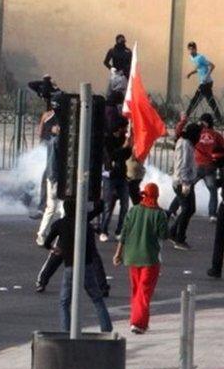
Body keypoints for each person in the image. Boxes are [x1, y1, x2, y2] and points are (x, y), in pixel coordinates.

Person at [113, 183, 168, 334]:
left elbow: (123, 233)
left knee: (136, 290)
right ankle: (138, 323)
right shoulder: (159, 214)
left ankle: (136, 320)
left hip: (131, 257)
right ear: (156, 196)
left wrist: (118, 253)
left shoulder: (134, 210)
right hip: (150, 259)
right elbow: (164, 235)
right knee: (144, 292)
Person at [54, 197, 113, 333]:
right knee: (97, 299)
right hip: (86, 265)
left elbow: (48, 240)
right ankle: (106, 328)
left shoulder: (60, 224)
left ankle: (65, 331)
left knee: (64, 302)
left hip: (69, 265)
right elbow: (92, 248)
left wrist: (54, 249)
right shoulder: (84, 223)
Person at [173, 113, 224, 219]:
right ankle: (212, 214)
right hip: (210, 166)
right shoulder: (216, 135)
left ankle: (172, 209)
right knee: (212, 190)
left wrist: (183, 121)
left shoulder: (196, 133)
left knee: (185, 189)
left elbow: (178, 133)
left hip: (196, 165)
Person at [169, 122, 201, 250]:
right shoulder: (184, 144)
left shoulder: (188, 144)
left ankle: (173, 233)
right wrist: (185, 183)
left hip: (187, 181)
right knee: (187, 209)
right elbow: (182, 165)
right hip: (182, 182)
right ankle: (179, 238)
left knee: (190, 209)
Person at [99, 121, 131, 242]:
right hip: (110, 176)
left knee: (125, 204)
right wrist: (123, 147)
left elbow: (127, 155)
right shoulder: (107, 140)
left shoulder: (124, 139)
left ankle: (119, 230)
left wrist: (128, 146)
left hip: (122, 176)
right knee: (108, 205)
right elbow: (110, 156)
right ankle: (103, 230)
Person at [37, 119, 63, 246]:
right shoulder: (56, 142)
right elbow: (52, 163)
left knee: (56, 208)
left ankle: (44, 234)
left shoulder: (56, 141)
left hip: (58, 178)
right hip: (56, 178)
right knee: (53, 207)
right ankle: (43, 234)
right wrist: (53, 180)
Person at [184, 41, 223, 122]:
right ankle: (220, 119)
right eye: (189, 49)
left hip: (206, 83)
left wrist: (206, 76)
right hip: (204, 83)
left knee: (195, 99)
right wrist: (190, 73)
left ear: (195, 49)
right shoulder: (192, 58)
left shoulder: (200, 57)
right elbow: (199, 68)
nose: (191, 51)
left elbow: (212, 66)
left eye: (192, 49)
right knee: (210, 102)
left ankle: (185, 117)